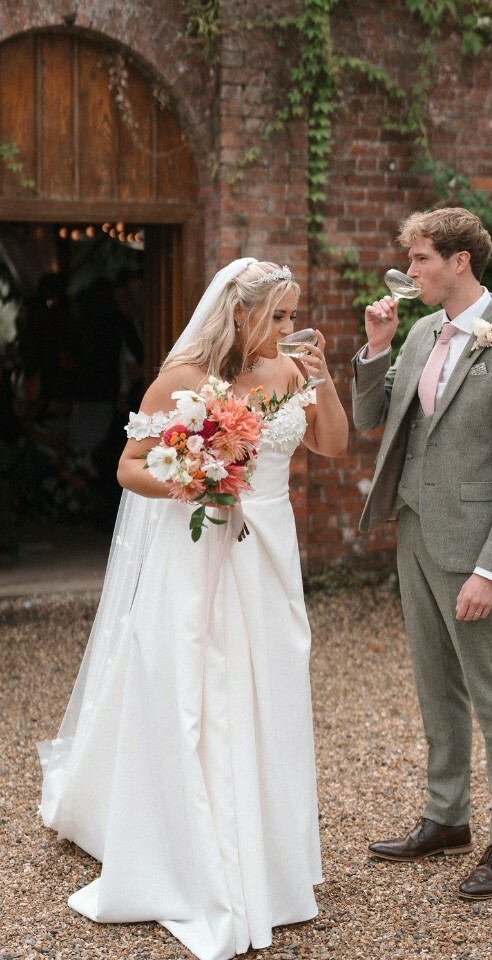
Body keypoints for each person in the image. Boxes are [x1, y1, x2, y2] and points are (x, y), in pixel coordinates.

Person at [38, 258, 348, 960]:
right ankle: (190, 848)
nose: (290, 328)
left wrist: (323, 373)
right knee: (195, 691)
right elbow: (128, 466)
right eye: (280, 317)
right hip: (198, 549)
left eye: (293, 316)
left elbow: (332, 445)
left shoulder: (294, 373)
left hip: (269, 552)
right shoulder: (180, 380)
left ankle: (272, 857)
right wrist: (195, 484)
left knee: (271, 691)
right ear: (240, 316)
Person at [352, 208, 492, 900]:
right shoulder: (421, 334)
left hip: (471, 550)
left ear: (459, 261)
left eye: (422, 260)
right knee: (435, 687)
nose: (411, 272)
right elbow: (371, 420)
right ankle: (446, 817)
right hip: (413, 531)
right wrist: (377, 346)